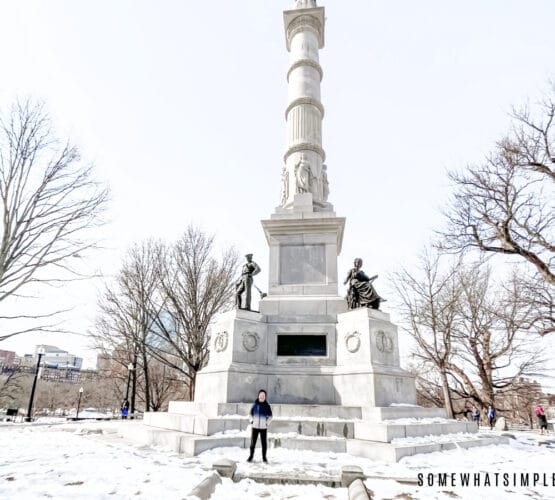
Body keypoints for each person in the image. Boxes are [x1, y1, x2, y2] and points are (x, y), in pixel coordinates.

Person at [247, 389, 272, 463]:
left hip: (263, 428)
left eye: (263, 396)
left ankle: (264, 457)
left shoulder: (267, 406)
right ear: (258, 396)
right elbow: (250, 415)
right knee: (253, 443)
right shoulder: (255, 405)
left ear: (265, 397)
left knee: (264, 443)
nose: (262, 397)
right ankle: (251, 456)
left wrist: (266, 423)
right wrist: (252, 421)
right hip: (255, 427)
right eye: (260, 395)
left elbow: (270, 416)